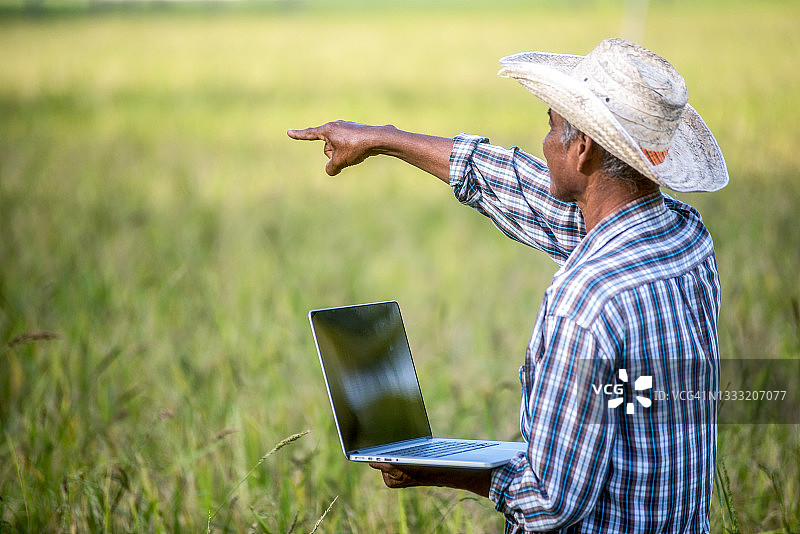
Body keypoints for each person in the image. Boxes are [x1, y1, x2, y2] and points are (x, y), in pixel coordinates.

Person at [288, 38, 728, 533]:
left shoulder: (584, 301)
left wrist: (435, 468)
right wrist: (384, 139)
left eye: (551, 126)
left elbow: (549, 504)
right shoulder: (688, 241)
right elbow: (521, 188)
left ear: (582, 149)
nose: (543, 142)